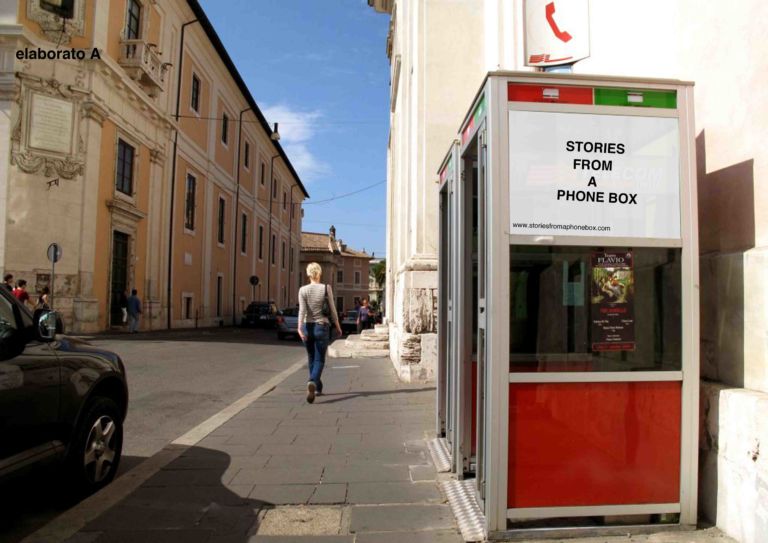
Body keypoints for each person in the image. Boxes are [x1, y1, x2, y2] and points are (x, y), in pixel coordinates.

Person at [297, 262, 341, 404]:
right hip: (321, 326)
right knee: (319, 359)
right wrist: (338, 326)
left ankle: (317, 388)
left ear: (308, 274)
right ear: (320, 273)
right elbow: (333, 310)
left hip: (306, 327)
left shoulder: (302, 290)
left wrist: (299, 327)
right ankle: (313, 381)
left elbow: (302, 311)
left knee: (311, 357)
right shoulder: (325, 288)